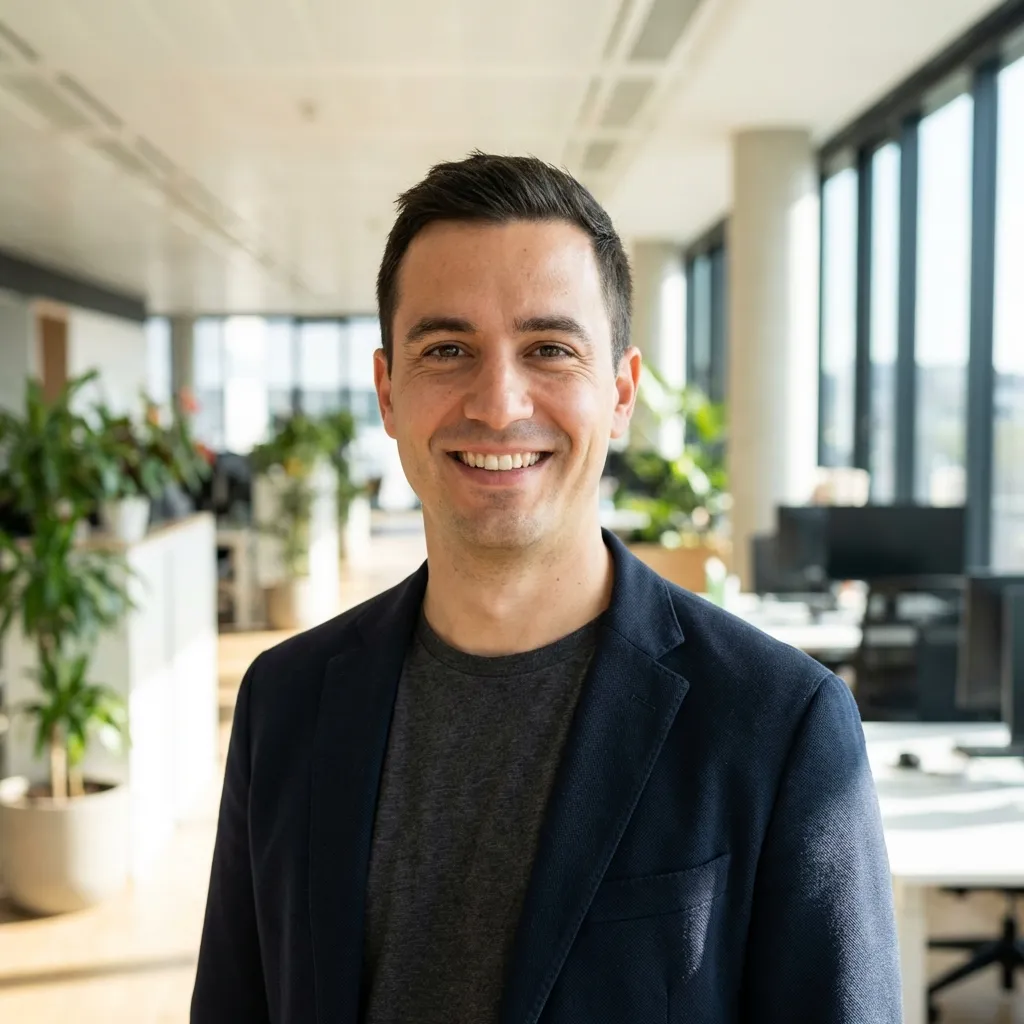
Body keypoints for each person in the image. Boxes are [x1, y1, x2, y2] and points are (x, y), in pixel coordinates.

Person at [191, 153, 901, 1024]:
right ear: (387, 390)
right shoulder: (285, 703)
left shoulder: (778, 723)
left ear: (621, 392)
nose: (497, 402)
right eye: (447, 349)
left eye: (550, 349)